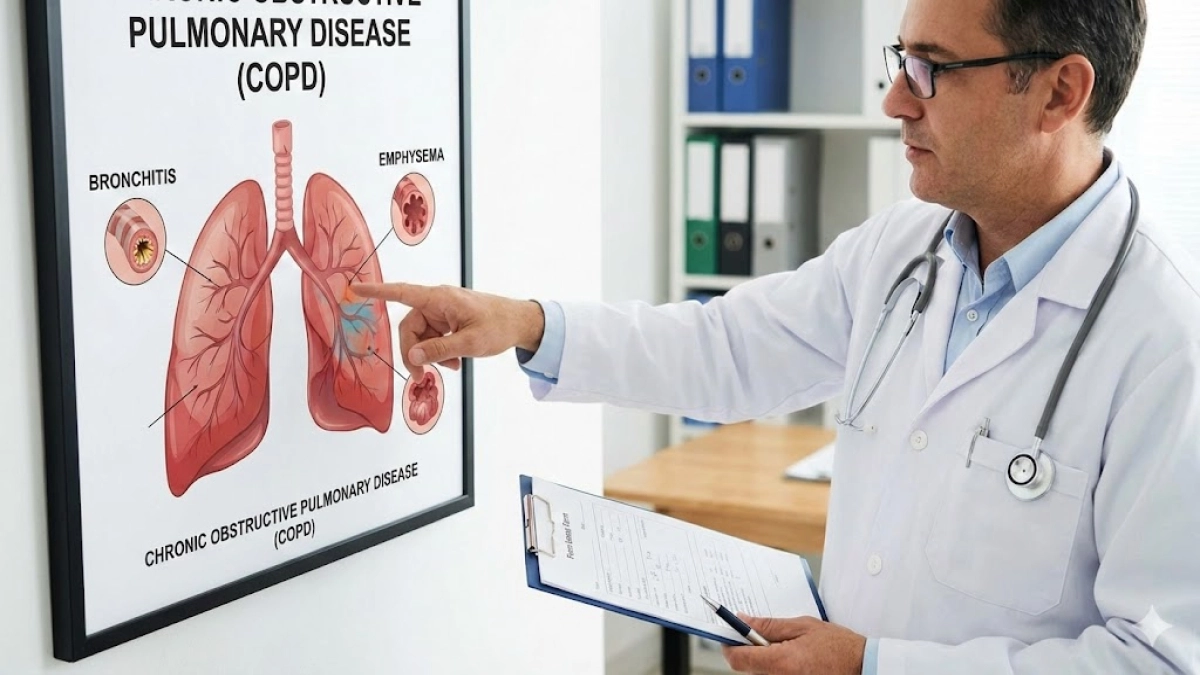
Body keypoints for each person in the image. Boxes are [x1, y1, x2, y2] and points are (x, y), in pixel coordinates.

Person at [353, 0, 1200, 672]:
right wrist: (524, 323)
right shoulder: (903, 250)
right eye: (899, 60)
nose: (894, 100)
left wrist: (875, 667)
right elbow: (728, 348)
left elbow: (1157, 657)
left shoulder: (1163, 341)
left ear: (1060, 91)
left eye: (932, 69)